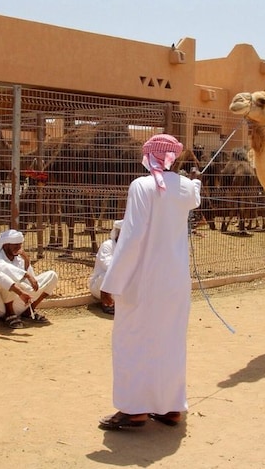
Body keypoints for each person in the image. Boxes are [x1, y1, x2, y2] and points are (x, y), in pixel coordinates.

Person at [97, 133, 201, 431]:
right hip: (175, 284)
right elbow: (194, 192)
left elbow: (131, 237)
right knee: (170, 342)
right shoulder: (186, 190)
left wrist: (111, 281)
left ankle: (134, 410)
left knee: (133, 342)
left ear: (151, 156)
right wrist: (193, 178)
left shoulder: (141, 187)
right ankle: (170, 407)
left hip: (142, 282)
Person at [0, 229, 59, 325]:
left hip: (21, 300)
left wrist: (26, 259)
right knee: (7, 278)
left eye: (20, 245)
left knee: (52, 275)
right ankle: (9, 314)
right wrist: (27, 275)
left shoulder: (18, 258)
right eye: (15, 245)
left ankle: (29, 310)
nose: (19, 248)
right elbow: (4, 268)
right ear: (5, 245)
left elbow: (31, 280)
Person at [88, 220, 122, 314]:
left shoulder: (131, 248)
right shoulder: (107, 245)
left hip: (122, 285)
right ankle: (106, 304)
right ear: (119, 233)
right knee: (108, 275)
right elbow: (109, 266)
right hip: (99, 286)